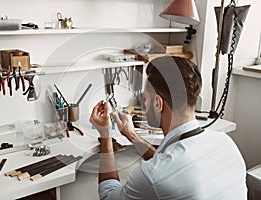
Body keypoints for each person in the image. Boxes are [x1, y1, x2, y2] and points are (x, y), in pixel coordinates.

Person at [90, 56, 247, 200]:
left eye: (146, 98)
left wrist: (105, 135)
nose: (144, 104)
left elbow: (107, 196)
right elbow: (170, 167)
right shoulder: (225, 143)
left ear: (158, 103)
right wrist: (132, 136)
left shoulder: (153, 175)